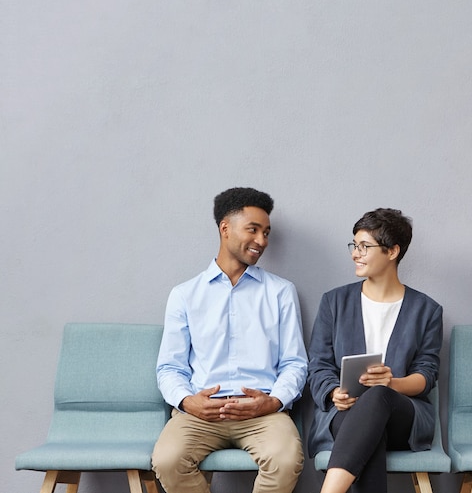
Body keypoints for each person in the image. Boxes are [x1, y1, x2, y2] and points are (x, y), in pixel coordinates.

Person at [152, 187, 308, 493]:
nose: (262, 241)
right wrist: (188, 401)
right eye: (253, 229)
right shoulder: (185, 295)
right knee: (168, 460)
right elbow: (169, 367)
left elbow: (295, 363)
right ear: (225, 228)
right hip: (201, 413)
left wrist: (273, 401)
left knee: (286, 460)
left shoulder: (281, 292)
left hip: (262, 412)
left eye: (266, 232)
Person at [307, 208, 443, 493]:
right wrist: (335, 393)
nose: (356, 253)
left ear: (392, 251)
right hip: (344, 413)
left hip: (403, 417)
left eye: (364, 246)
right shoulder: (334, 302)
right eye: (354, 246)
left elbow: (426, 375)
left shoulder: (427, 310)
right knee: (369, 432)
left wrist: (390, 383)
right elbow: (318, 365)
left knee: (379, 395)